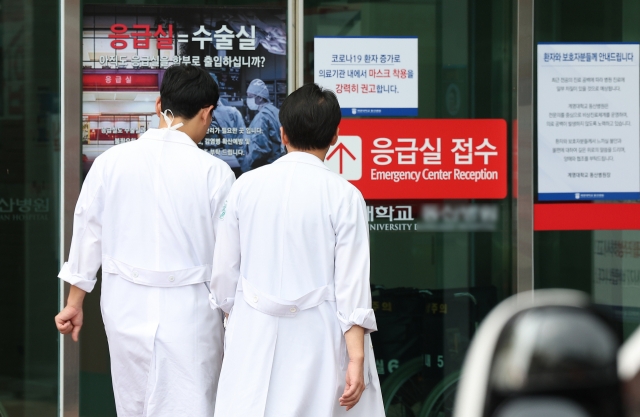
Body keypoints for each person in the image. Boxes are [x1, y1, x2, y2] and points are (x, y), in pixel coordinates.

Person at [54, 65, 235, 417]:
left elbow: (87, 230)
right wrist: (233, 315)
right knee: (194, 402)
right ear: (207, 113)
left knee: (133, 402)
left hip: (125, 304)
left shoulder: (110, 163)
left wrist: (75, 301)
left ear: (158, 105)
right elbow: (228, 256)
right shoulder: (215, 173)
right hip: (192, 309)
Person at [209, 83, 385, 416]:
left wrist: (235, 317)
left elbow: (223, 271)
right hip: (320, 334)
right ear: (335, 137)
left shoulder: (245, 185)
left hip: (253, 329)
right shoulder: (345, 195)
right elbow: (352, 286)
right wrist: (356, 357)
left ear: (282, 133)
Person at [240, 78, 284, 172]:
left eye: (250, 96)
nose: (248, 100)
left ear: (260, 98)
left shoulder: (261, 117)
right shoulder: (276, 112)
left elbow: (259, 150)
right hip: (278, 164)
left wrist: (245, 166)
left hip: (266, 167)